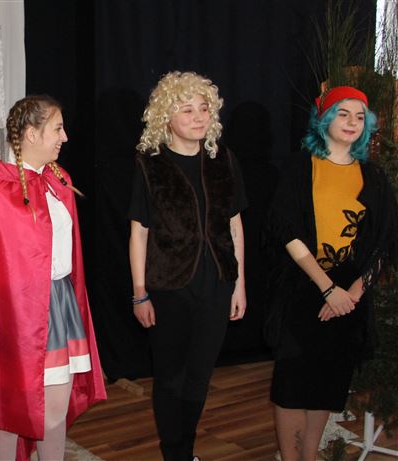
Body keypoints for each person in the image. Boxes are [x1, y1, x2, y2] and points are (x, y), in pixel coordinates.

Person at [0, 95, 106, 460]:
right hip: (12, 314)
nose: (65, 137)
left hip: (58, 305)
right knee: (5, 411)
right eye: (57, 129)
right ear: (31, 134)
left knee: (54, 411)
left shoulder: (58, 181)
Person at [265, 86, 398, 461]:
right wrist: (327, 289)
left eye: (360, 116)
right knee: (292, 384)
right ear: (324, 118)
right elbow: (285, 230)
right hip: (303, 285)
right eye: (343, 113)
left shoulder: (374, 177)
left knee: (327, 381)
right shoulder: (300, 167)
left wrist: (352, 294)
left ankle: (310, 455)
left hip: (349, 292)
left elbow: (384, 243)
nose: (352, 122)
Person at [128, 71, 247, 461]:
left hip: (218, 282)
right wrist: (139, 292)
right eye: (187, 109)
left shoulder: (223, 160)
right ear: (166, 116)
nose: (198, 117)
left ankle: (186, 451)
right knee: (170, 378)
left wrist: (239, 284)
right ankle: (174, 454)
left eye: (203, 108)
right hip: (169, 286)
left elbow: (234, 225)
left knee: (199, 376)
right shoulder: (150, 164)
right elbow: (139, 233)